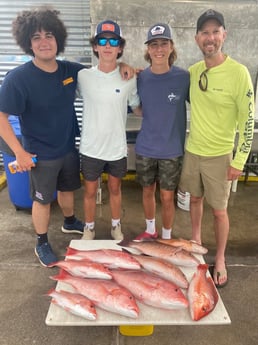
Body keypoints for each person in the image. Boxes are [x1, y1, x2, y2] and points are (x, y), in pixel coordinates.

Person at [0, 7, 134, 267]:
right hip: (40, 153)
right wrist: (19, 152)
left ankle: (70, 221)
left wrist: (126, 66)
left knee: (68, 190)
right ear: (28, 43)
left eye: (49, 35)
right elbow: (1, 117)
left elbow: (105, 70)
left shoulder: (70, 71)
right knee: (42, 200)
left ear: (58, 39)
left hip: (69, 148)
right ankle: (41, 242)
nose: (44, 42)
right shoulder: (18, 78)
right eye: (36, 37)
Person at [179, 9, 254, 287]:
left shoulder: (239, 73)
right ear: (197, 38)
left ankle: (220, 258)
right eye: (204, 33)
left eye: (215, 31)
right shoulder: (194, 72)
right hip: (193, 150)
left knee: (220, 211)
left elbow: (248, 120)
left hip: (221, 155)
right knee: (195, 200)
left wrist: (240, 159)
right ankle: (196, 241)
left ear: (224, 34)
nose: (210, 38)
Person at [77, 20, 140, 241]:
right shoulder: (82, 77)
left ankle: (115, 226)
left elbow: (138, 108)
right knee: (90, 192)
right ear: (95, 46)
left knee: (115, 189)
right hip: (91, 147)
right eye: (102, 40)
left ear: (120, 48)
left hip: (116, 148)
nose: (107, 45)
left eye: (113, 41)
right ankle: (89, 228)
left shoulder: (128, 78)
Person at [134, 23, 190, 241]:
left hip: (171, 150)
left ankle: (166, 237)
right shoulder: (140, 78)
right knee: (147, 191)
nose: (159, 49)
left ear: (171, 46)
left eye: (163, 43)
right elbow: (138, 109)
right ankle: (150, 231)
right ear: (148, 49)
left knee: (167, 197)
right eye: (154, 44)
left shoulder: (184, 78)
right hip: (146, 147)